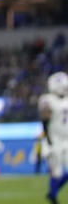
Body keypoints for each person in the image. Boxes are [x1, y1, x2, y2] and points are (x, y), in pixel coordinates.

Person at [40, 71, 68, 204]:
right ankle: (53, 197)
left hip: (66, 139)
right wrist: (48, 139)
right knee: (55, 172)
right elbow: (44, 119)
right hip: (54, 139)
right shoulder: (47, 99)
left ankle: (52, 193)